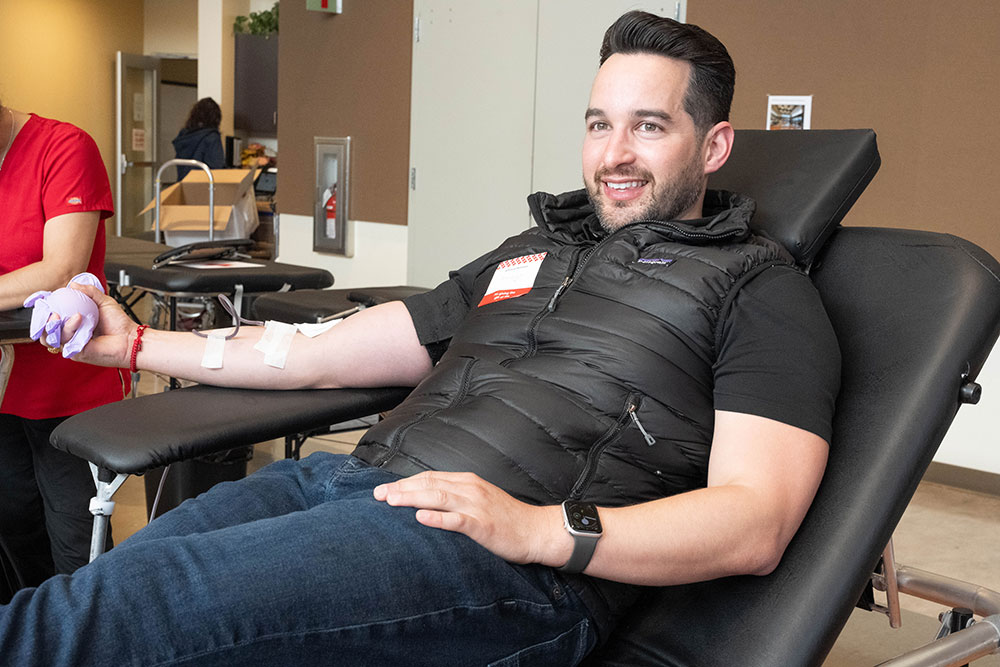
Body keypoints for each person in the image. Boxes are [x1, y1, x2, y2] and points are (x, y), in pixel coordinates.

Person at [1, 12, 839, 665]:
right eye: (598, 124)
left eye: (649, 127)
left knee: (93, 622)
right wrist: (134, 344)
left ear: (715, 144)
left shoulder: (759, 287)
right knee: (99, 599)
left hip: (505, 562)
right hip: (344, 485)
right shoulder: (532, 252)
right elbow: (320, 352)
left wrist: (542, 529)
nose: (613, 154)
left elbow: (754, 521)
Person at [0, 102, 129, 602]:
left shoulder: (63, 147)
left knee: (79, 552)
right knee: (13, 538)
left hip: (69, 394)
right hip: (3, 390)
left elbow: (60, 268)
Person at [172, 97, 226, 180]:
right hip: (204, 187)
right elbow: (217, 168)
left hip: (183, 185)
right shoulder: (212, 137)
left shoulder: (183, 136)